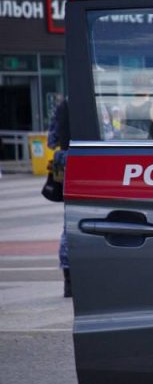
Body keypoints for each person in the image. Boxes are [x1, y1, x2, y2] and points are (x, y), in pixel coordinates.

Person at [46, 96, 71, 297]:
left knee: (69, 219)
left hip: (65, 161)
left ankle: (68, 278)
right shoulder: (94, 102)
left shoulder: (61, 106)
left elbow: (50, 141)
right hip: (91, 159)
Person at [123, 73, 153, 140]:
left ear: (133, 88)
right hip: (151, 146)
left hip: (130, 146)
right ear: (149, 88)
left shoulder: (125, 107)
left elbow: (120, 130)